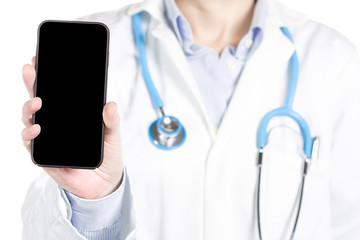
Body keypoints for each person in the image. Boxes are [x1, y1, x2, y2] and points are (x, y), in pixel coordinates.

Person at [21, 0, 360, 239]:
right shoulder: (92, 46)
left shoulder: (332, 60)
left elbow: (348, 225)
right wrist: (94, 204)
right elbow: (40, 232)